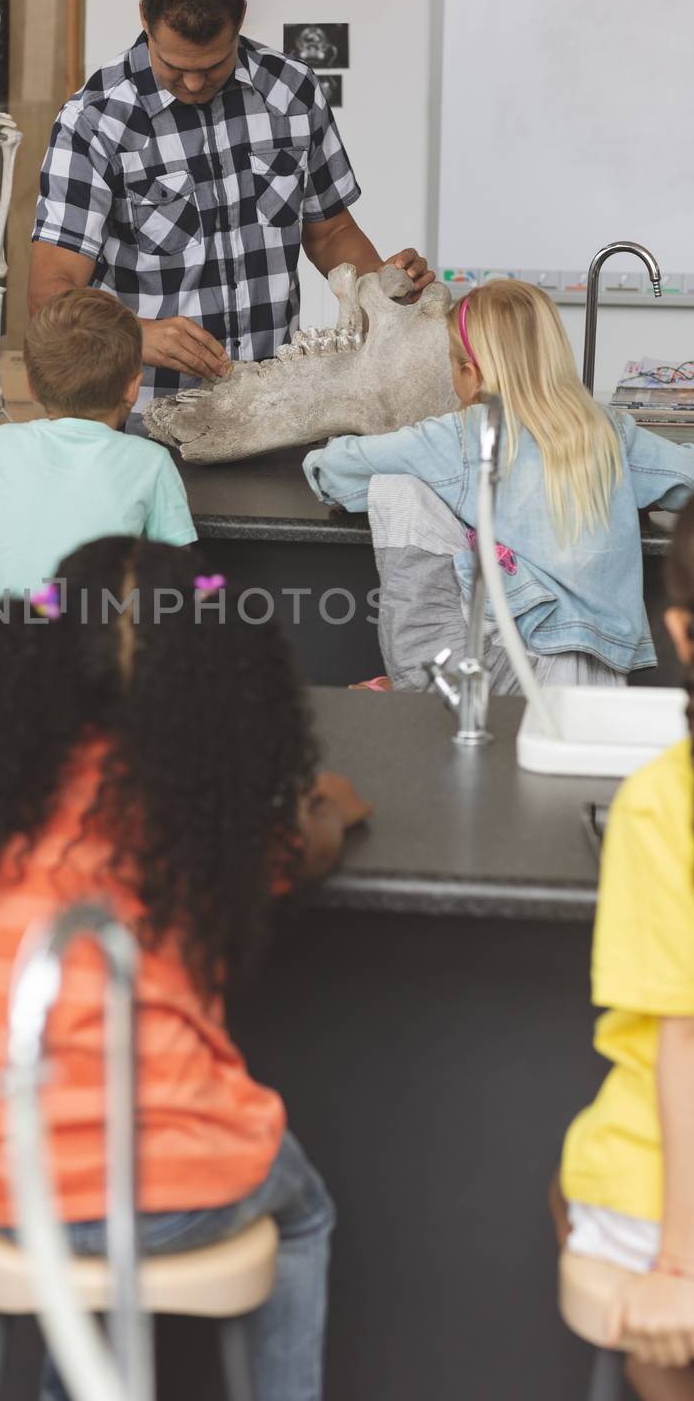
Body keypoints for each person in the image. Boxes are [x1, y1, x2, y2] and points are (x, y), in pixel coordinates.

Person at [0, 536, 371, 1401]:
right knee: (306, 1217)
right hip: (189, 1174)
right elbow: (313, 843)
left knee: (83, 1268)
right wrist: (327, 802)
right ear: (210, 668)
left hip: (8, 1174)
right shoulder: (208, 817)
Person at [28, 0, 433, 421]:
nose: (195, 84)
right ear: (143, 17)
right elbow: (51, 293)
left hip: (276, 409)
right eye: (174, 67)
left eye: (213, 65)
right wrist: (137, 335)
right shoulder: (94, 120)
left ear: (240, 17)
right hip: (148, 420)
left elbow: (332, 233)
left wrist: (386, 295)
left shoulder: (293, 92)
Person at [303, 278, 694, 690]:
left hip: (512, 668)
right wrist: (621, 493)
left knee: (397, 488)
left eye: (453, 363)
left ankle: (418, 686)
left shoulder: (460, 435)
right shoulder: (610, 431)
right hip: (605, 674)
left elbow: (329, 472)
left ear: (471, 374)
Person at [552, 494, 694, 1399]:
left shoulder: (663, 803)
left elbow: (683, 1039)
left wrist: (679, 1262)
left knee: (580, 1184)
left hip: (662, 1194)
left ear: (679, 631)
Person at [0, 289, 196, 611]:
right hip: (96, 651)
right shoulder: (153, 462)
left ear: (31, 386)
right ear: (133, 388)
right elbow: (177, 582)